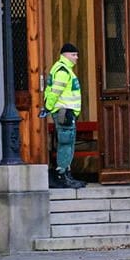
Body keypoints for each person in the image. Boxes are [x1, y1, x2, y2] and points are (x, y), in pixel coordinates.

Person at [43, 43, 86, 189]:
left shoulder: (64, 69)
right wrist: (48, 107)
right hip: (64, 111)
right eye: (74, 55)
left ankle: (66, 174)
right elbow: (55, 92)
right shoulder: (63, 70)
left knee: (67, 143)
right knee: (66, 143)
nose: (76, 58)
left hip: (66, 111)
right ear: (65, 55)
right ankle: (62, 175)